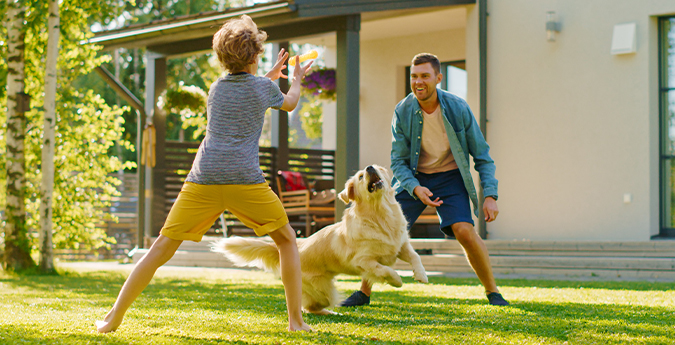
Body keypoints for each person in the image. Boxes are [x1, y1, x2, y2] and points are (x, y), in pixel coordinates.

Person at [95, 15, 314, 333]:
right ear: (254, 57)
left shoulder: (215, 89)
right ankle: (296, 321)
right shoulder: (264, 87)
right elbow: (288, 102)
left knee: (161, 247)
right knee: (287, 240)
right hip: (244, 181)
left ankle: (112, 318)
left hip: (204, 179)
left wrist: (267, 75)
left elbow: (247, 93)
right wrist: (295, 78)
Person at [341, 53, 509, 307]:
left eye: (425, 76)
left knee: (464, 231)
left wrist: (491, 196)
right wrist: (415, 187)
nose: (418, 82)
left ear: (438, 78)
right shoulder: (403, 110)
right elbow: (397, 161)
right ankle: (363, 293)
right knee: (383, 230)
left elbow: (482, 156)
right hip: (414, 178)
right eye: (414, 76)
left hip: (451, 178)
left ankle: (493, 292)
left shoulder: (457, 108)